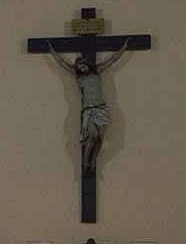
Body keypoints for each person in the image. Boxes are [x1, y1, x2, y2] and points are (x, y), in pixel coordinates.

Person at [47, 37, 130, 174]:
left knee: (100, 138)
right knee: (92, 135)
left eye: (84, 65)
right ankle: (85, 162)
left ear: (87, 64)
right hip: (88, 109)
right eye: (80, 67)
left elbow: (113, 59)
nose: (83, 68)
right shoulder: (77, 76)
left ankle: (92, 162)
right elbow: (61, 62)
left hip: (101, 107)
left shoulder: (97, 71)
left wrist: (124, 46)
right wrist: (51, 50)